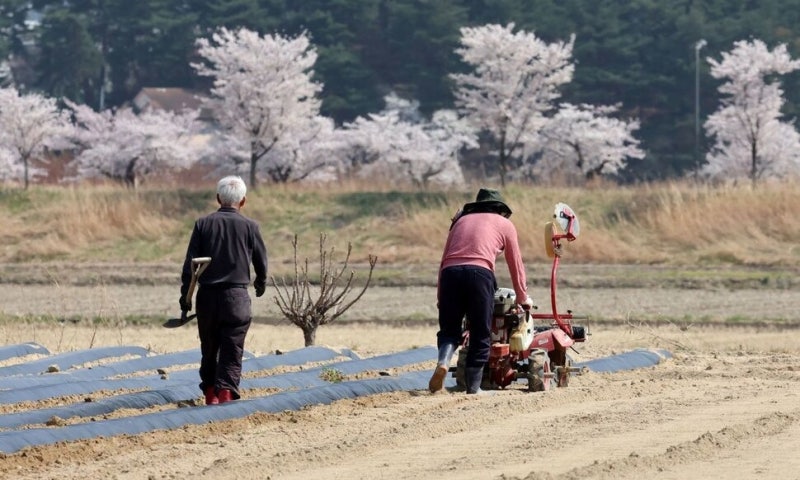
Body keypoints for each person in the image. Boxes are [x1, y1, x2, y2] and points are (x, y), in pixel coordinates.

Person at [429, 188, 532, 394]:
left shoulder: (459, 222)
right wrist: (523, 298)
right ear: (499, 209)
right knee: (480, 332)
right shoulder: (505, 224)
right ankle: (474, 388)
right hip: (479, 274)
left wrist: (441, 295)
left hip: (450, 274)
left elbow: (443, 261)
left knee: (450, 330)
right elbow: (516, 266)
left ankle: (443, 361)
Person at [180, 175, 268, 405]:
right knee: (232, 348)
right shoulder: (250, 226)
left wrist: (184, 296)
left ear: (218, 198)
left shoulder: (203, 224)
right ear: (243, 201)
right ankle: (226, 393)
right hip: (237, 298)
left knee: (209, 347)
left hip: (207, 297)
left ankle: (210, 394)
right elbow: (261, 261)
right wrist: (261, 283)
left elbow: (190, 264)